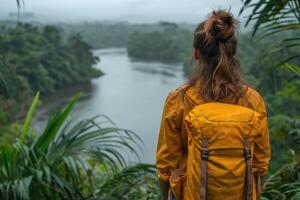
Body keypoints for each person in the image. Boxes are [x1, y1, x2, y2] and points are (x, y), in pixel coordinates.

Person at [156, 10, 271, 200]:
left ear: (195, 52)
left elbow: (166, 166)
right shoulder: (252, 100)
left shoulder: (179, 100)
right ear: (232, 51)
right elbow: (260, 164)